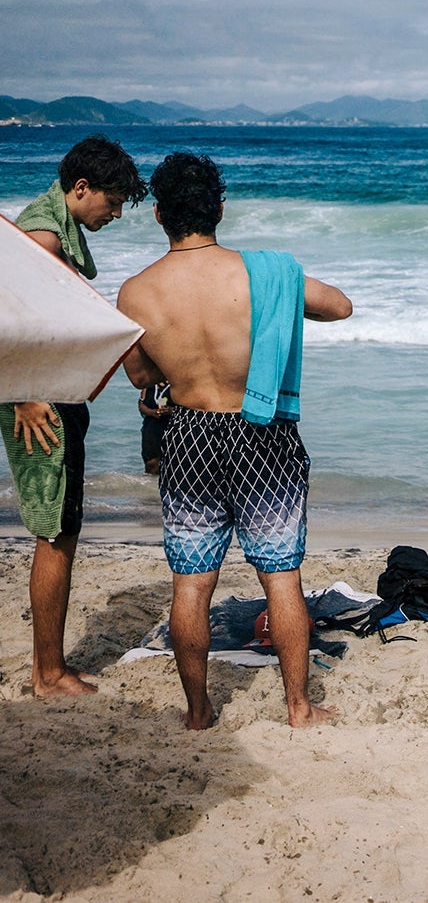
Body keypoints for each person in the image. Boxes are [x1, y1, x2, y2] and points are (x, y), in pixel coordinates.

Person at [116, 152, 350, 729]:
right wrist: (280, 308)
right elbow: (340, 306)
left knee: (192, 584)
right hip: (261, 428)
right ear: (219, 209)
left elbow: (141, 376)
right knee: (281, 577)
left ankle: (198, 712)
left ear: (159, 215)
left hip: (189, 432)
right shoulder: (267, 274)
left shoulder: (135, 291)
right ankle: (299, 707)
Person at [2, 134, 146, 698]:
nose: (116, 214)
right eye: (113, 202)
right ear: (81, 188)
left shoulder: (54, 227)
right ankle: (48, 674)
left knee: (60, 528)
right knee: (55, 532)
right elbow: (6, 315)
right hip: (38, 405)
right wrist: (22, 392)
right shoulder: (42, 234)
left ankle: (50, 666)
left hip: (46, 393)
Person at [137, 382, 172, 475]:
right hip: (151, 428)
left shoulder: (175, 384)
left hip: (170, 428)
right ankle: (150, 483)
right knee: (151, 463)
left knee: (170, 462)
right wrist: (153, 412)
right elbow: (141, 405)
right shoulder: (148, 385)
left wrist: (170, 410)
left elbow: (185, 407)